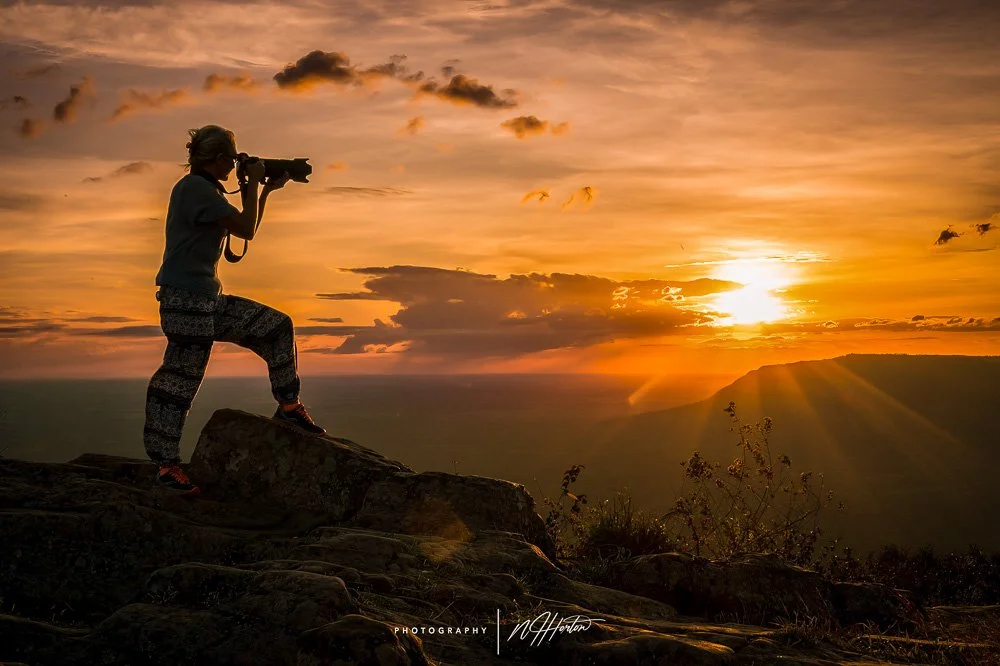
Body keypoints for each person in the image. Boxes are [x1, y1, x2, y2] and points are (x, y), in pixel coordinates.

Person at [144, 124, 326, 496]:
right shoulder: (195, 189)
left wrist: (266, 190)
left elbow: (245, 228)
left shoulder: (205, 190)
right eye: (232, 158)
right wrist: (253, 184)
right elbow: (245, 228)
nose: (235, 165)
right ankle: (166, 467)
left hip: (206, 301)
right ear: (220, 158)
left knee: (276, 326)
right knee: (179, 381)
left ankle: (289, 406)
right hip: (186, 301)